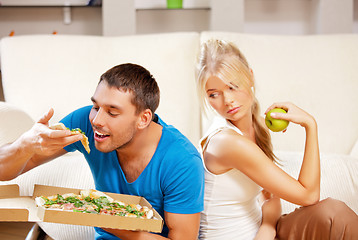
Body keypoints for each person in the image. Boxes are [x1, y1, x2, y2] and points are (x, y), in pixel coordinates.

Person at [0, 63, 205, 240]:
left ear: (144, 119)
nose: (97, 121)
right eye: (95, 106)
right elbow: (4, 172)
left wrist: (104, 219)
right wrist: (23, 145)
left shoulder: (182, 161)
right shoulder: (85, 124)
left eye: (112, 112)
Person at [196, 39, 358, 240]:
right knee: (334, 215)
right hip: (255, 235)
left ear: (250, 77)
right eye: (214, 95)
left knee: (334, 214)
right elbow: (308, 195)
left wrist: (269, 223)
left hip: (264, 230)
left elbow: (272, 199)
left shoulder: (258, 126)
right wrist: (310, 125)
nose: (227, 100)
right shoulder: (227, 142)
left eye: (233, 86)